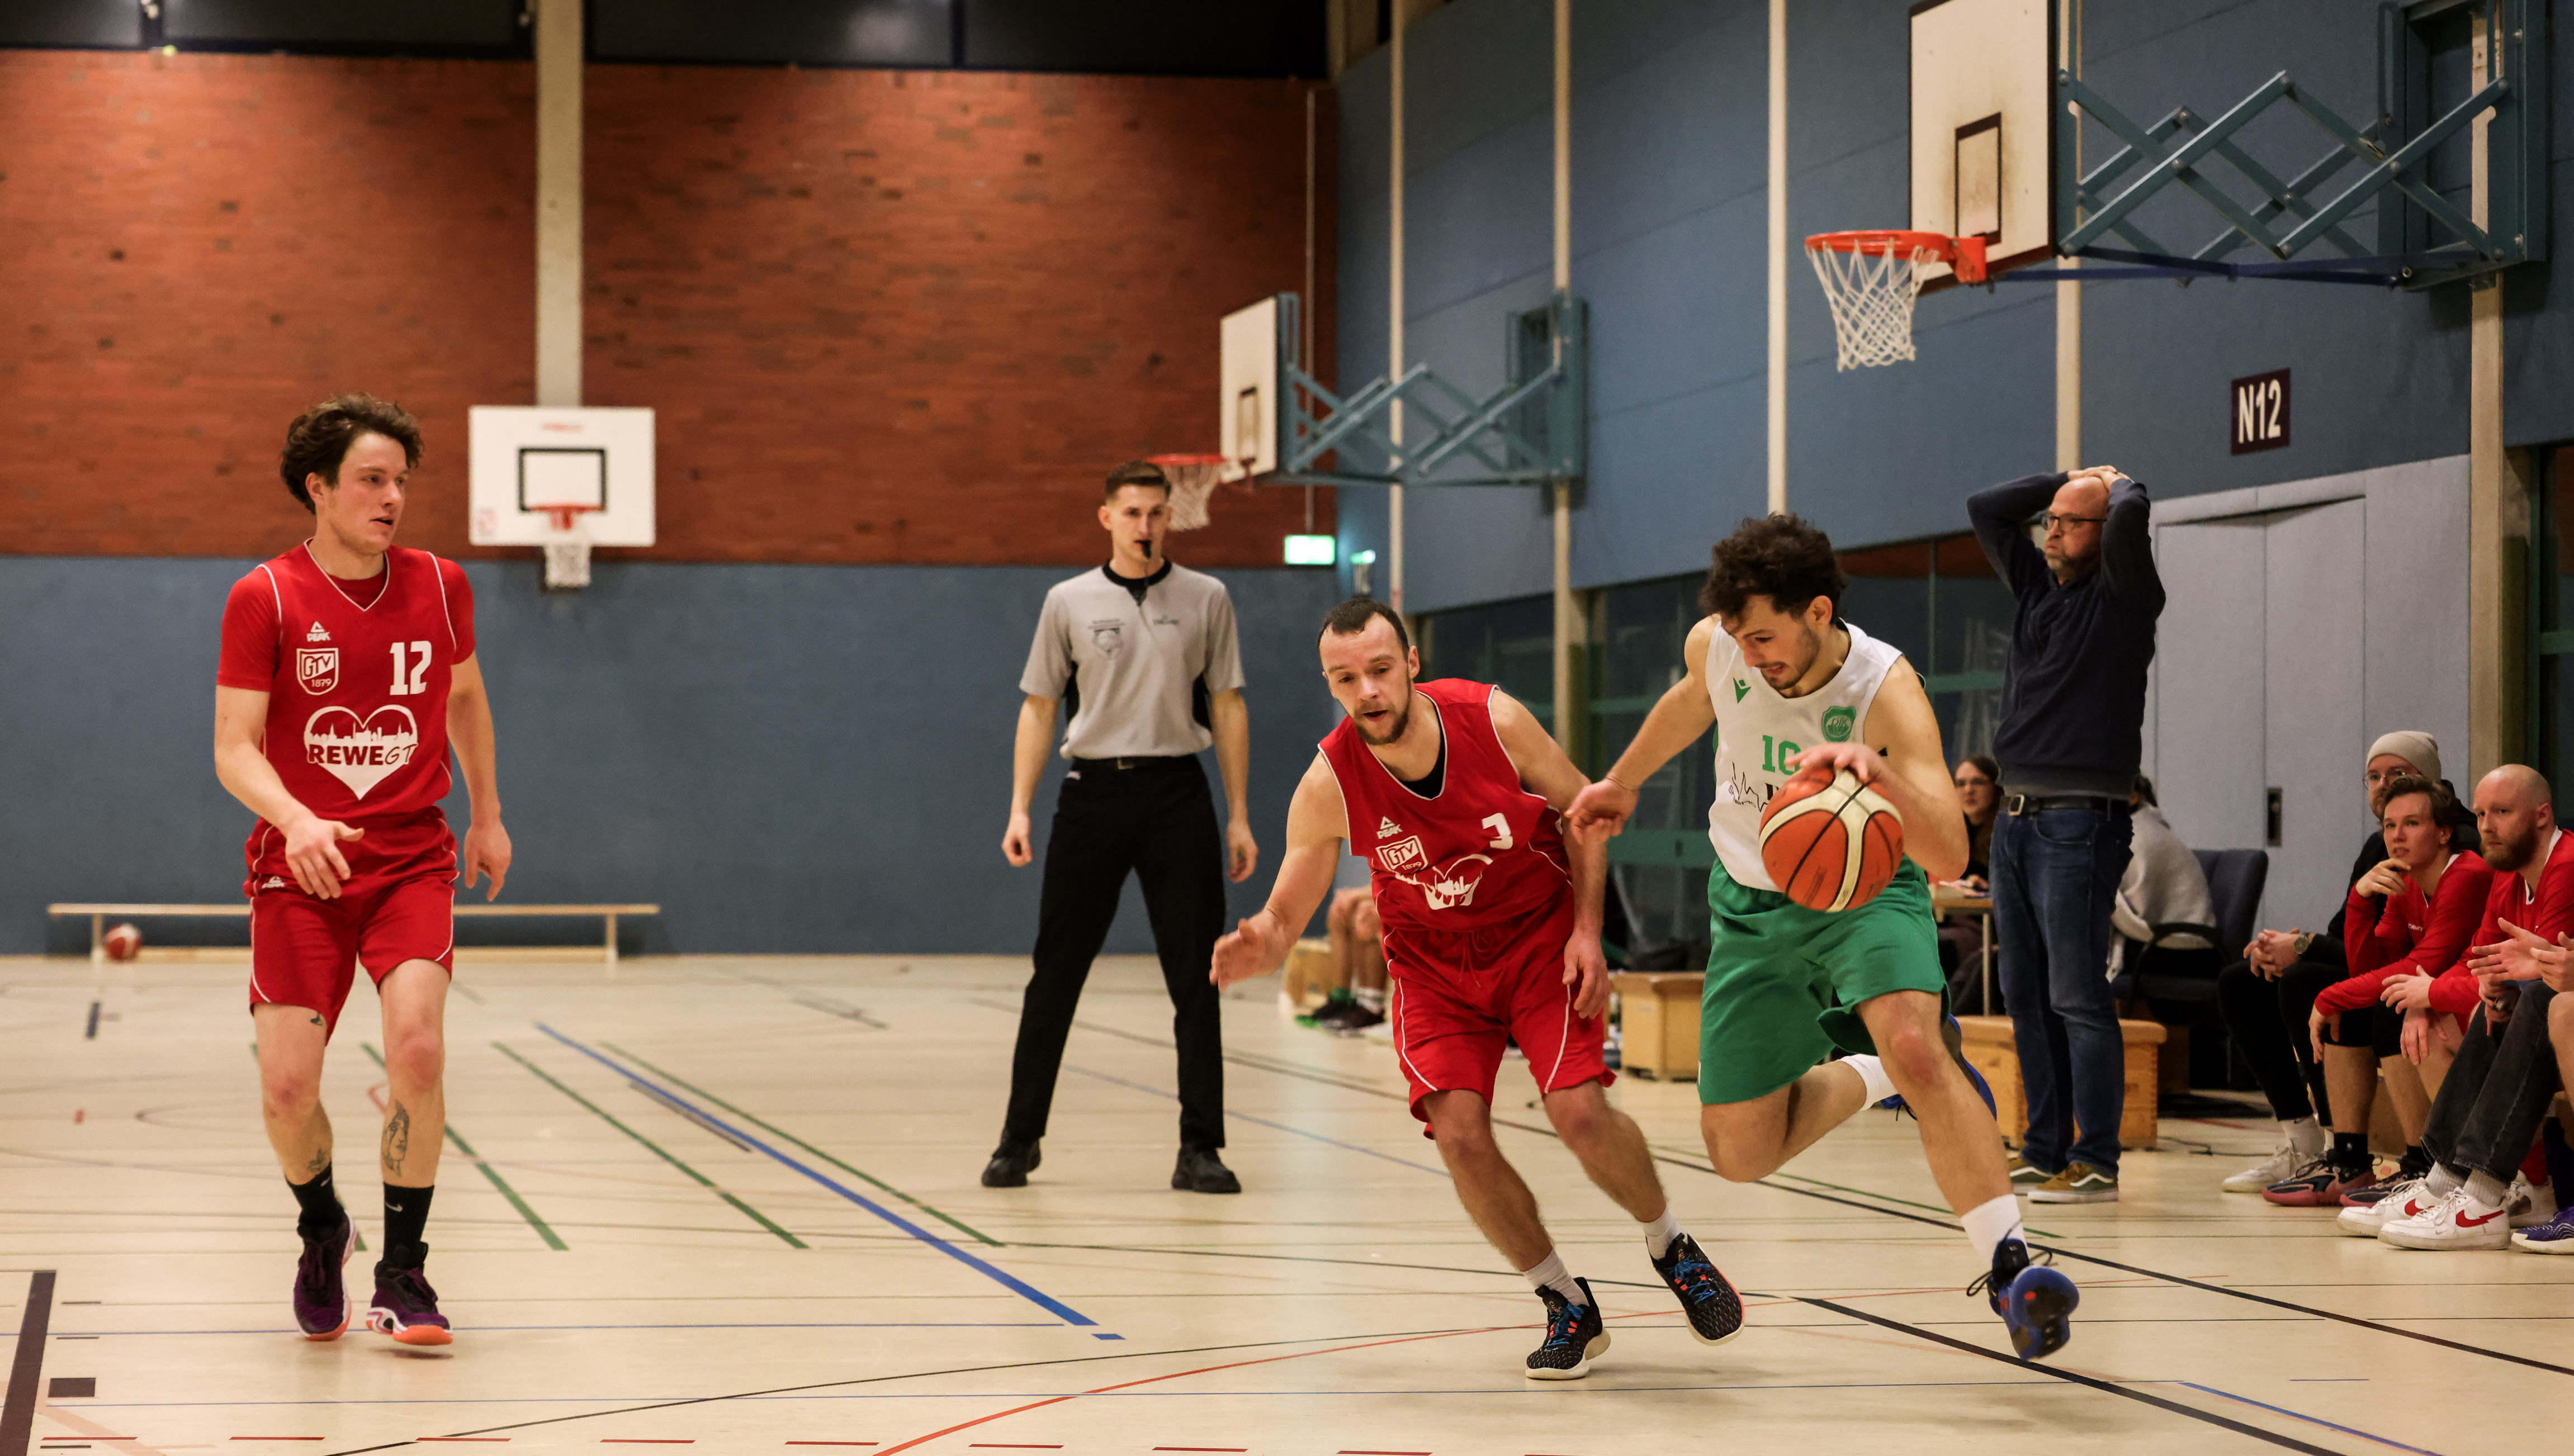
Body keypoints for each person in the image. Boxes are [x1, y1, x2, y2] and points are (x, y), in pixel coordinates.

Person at [1564, 515, 2079, 1363]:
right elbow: (1693, 698)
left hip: (1867, 892)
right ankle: (1875, 1072)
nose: (1750, 654)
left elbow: (1950, 854)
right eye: (1738, 637)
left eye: (1764, 637)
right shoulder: (1721, 646)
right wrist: (1622, 781)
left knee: (1916, 1045)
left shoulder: (1885, 688)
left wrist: (1881, 777)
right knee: (1739, 1153)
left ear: (1817, 611)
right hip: (1751, 904)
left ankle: (2009, 1267)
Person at [1210, 599, 1745, 1379]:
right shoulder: (1329, 781)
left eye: (1380, 670)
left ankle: (1670, 1244)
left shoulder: (1493, 720)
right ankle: (1563, 1299)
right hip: (1432, 967)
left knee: (1579, 1114)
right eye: (1345, 679)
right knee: (1458, 1134)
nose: (1367, 692)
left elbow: (1583, 815)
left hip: (1537, 938)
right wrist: (1260, 939)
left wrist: (1588, 931)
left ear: (1412, 663)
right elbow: (1286, 912)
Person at [213, 394, 510, 1347]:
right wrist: (296, 820)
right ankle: (322, 1228)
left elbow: (466, 699)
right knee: (287, 1090)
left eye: (401, 482)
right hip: (301, 868)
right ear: (319, 487)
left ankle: (403, 1273)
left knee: (418, 1049)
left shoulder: (440, 584)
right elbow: (234, 746)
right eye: (371, 480)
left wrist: (487, 815)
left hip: (410, 860)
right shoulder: (264, 596)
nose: (392, 499)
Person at [990, 461, 1258, 1194]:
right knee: (1055, 973)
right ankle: (1018, 1139)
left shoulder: (1207, 597)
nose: (1145, 525)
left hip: (1178, 794)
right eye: (1132, 512)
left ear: (1172, 517)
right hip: (1092, 795)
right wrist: (1019, 806)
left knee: (1196, 976)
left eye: (1156, 513)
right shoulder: (1067, 601)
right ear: (1106, 517)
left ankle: (1199, 1147)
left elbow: (1227, 703)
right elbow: (1039, 706)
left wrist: (1238, 814)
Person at [1967, 466, 2165, 1205]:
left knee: (2077, 993)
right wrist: (2067, 480)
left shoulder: (2123, 598)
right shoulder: (2035, 590)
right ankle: (2043, 1148)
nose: (2051, 531)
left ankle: (2096, 1158)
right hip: (2015, 819)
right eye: (2048, 519)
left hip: (2080, 821)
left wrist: (2120, 484)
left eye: (2069, 521)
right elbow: (1986, 507)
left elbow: (2129, 520)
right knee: (2023, 992)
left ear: (2104, 532)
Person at [2216, 734, 2455, 1193]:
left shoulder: (2452, 849)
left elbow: (2405, 958)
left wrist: (2305, 948)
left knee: (2310, 983)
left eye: (2398, 774)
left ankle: (2344, 1148)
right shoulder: (2379, 843)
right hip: (2388, 971)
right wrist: (2297, 943)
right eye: (2374, 776)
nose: (2383, 784)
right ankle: (2303, 1140)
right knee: (2241, 981)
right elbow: (2350, 937)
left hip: (2430, 982)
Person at [2354, 765, 2572, 1249]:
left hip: (2559, 1018)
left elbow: (2548, 971)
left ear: (2542, 816)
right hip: (2548, 1019)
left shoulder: (2567, 865)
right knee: (2489, 1008)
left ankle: (2483, 1193)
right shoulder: (2506, 875)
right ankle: (2446, 1179)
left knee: (2532, 1001)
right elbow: (2480, 960)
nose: (2487, 825)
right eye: (2481, 813)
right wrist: (2492, 988)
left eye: (2502, 812)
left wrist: (2498, 984)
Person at [2260, 776, 2490, 1207]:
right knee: (2361, 1006)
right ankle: (2349, 1159)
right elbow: (2369, 967)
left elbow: (2418, 966)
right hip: (2438, 997)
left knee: (2393, 1007)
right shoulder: (2406, 880)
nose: (2397, 836)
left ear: (2444, 832)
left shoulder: (2467, 874)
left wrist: (2329, 997)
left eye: (2411, 823)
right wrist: (2361, 899)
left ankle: (2427, 1164)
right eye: (2389, 825)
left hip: (2476, 1002)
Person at [2107, 775, 2211, 980]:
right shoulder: (2135, 829)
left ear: (2132, 798)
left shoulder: (2139, 836)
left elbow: (2127, 911)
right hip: (2163, 943)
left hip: (2182, 950)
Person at [1939, 756, 2002, 1013]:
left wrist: (1987, 887)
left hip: (1986, 927)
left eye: (1978, 782)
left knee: (1937, 946)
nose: (1968, 790)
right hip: (1947, 919)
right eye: (1961, 783)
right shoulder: (1949, 831)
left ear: (1995, 787)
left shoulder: (2004, 832)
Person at [1309, 877, 1386, 1034]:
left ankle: (1372, 1005)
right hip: (1394, 891)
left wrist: (1356, 895)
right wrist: (1355, 895)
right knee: (1339, 911)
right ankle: (1340, 998)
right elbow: (1381, 879)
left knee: (1366, 913)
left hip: (1419, 897)